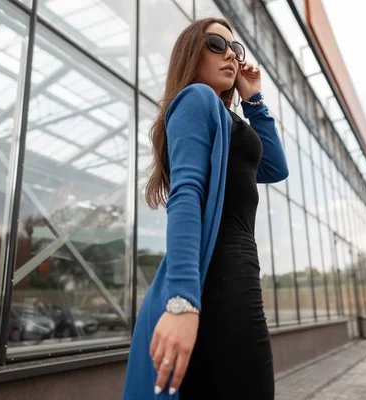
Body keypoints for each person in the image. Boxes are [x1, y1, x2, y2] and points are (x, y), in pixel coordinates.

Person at [122, 17, 288, 400]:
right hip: (218, 277)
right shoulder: (196, 98)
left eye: (235, 48)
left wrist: (254, 99)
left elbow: (275, 167)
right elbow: (186, 194)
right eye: (217, 44)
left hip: (237, 272)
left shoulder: (225, 117)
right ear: (190, 53)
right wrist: (182, 302)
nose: (230, 54)